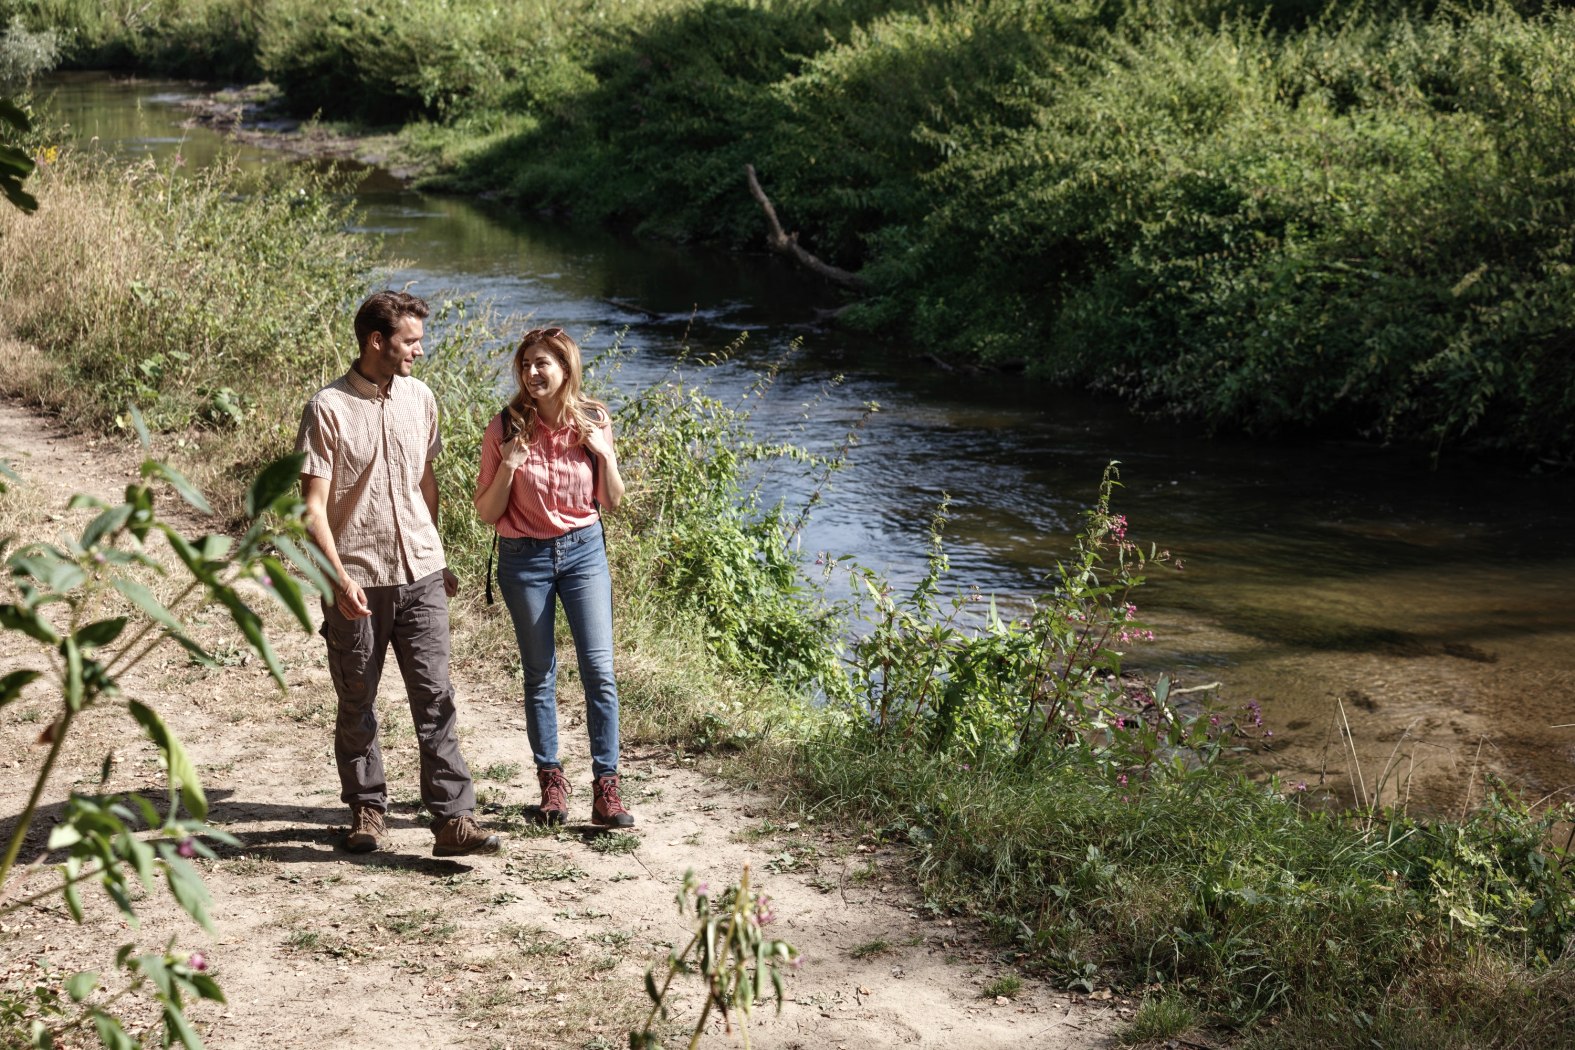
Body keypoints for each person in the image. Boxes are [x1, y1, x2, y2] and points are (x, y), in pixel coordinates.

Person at [295, 290, 501, 858]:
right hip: (356, 577)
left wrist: (435, 554)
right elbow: (312, 507)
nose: (419, 349)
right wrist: (337, 579)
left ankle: (454, 820)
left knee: (435, 696)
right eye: (410, 340)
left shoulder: (421, 398)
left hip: (422, 574)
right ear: (376, 341)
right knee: (357, 696)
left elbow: (424, 483)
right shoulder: (327, 409)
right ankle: (367, 807)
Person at [473, 326, 634, 829]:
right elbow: (485, 511)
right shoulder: (504, 427)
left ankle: (606, 787)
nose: (532, 373)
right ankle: (552, 785)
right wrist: (509, 466)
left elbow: (612, 500)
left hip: (584, 553)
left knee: (600, 673)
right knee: (540, 674)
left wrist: (603, 452)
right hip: (524, 558)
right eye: (525, 365)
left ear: (566, 368)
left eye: (542, 363)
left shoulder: (594, 419)